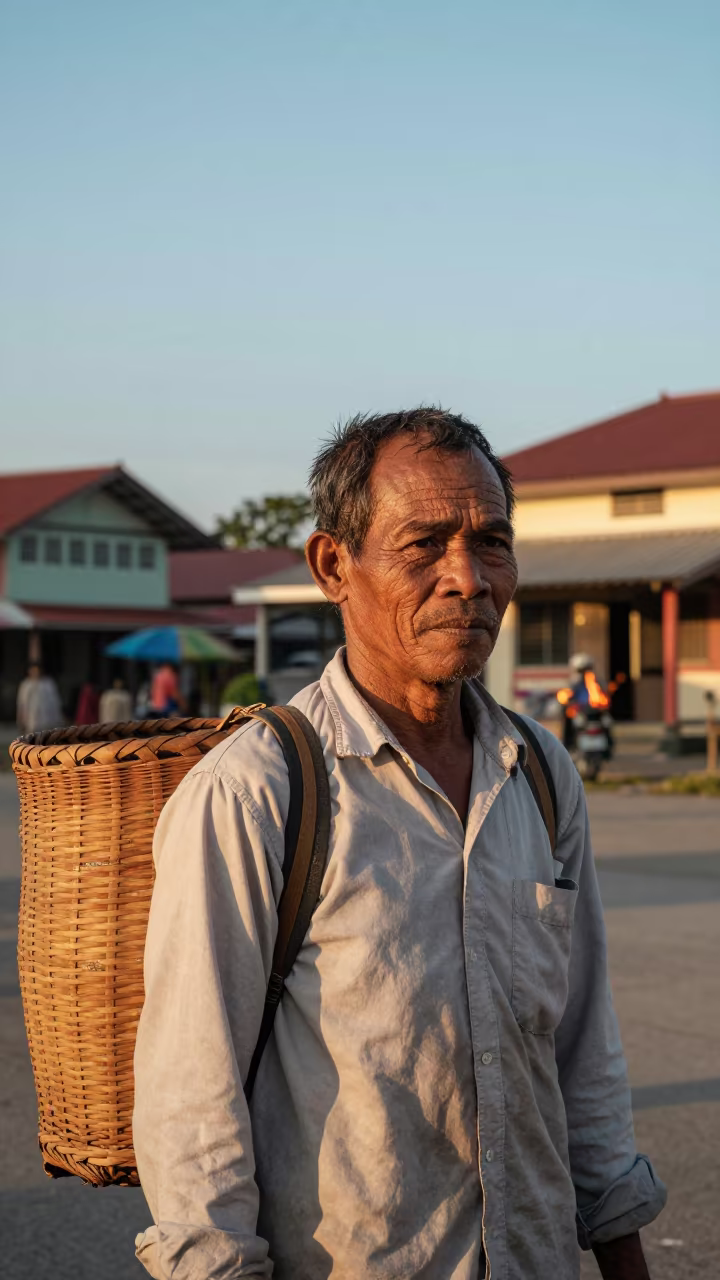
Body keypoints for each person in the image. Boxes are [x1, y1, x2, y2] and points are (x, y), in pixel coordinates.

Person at [134, 409, 665, 1280]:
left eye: (491, 542)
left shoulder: (539, 772)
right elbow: (190, 1104)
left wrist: (623, 1254)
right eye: (424, 545)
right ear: (333, 566)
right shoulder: (258, 790)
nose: (469, 578)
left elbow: (581, 1050)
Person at [16, 664, 63, 734]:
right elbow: (21, 703)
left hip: (46, 719)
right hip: (31, 720)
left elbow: (55, 702)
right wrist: (20, 719)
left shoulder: (48, 683)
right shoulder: (26, 685)